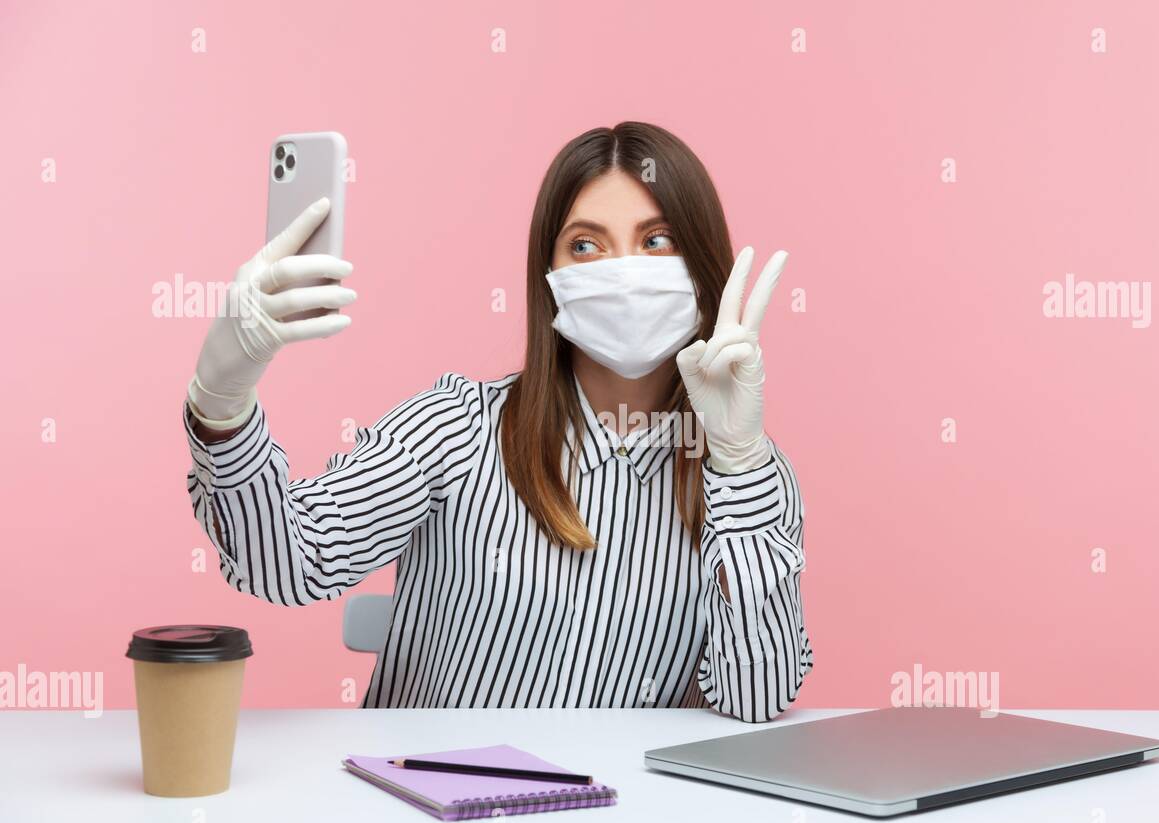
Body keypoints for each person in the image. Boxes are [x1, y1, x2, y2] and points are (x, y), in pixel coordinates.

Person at [183, 121, 811, 722]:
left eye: (656, 240)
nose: (623, 271)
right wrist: (222, 403)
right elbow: (287, 563)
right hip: (429, 815)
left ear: (703, 265)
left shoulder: (755, 476)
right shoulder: (455, 428)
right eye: (586, 245)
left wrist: (737, 461)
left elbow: (755, 696)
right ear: (551, 277)